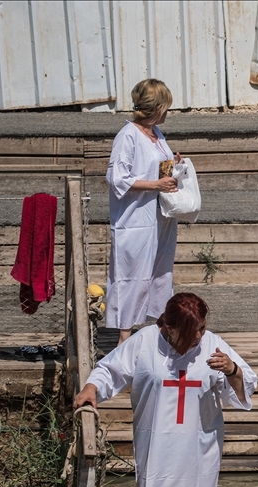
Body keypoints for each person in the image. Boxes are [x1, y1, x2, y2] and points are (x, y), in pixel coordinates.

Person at [73, 293, 257, 487]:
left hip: (199, 444)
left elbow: (244, 386)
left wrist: (232, 370)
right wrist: (91, 387)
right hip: (156, 441)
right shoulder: (146, 340)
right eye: (192, 332)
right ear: (170, 328)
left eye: (202, 328)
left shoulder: (212, 344)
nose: (199, 336)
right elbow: (111, 370)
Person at [105, 78, 184, 347]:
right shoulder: (128, 136)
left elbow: (157, 167)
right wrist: (156, 184)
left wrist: (174, 166)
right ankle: (123, 341)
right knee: (133, 275)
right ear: (157, 107)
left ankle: (161, 332)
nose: (168, 113)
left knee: (160, 273)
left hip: (159, 218)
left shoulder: (157, 134)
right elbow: (117, 178)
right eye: (166, 107)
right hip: (135, 219)